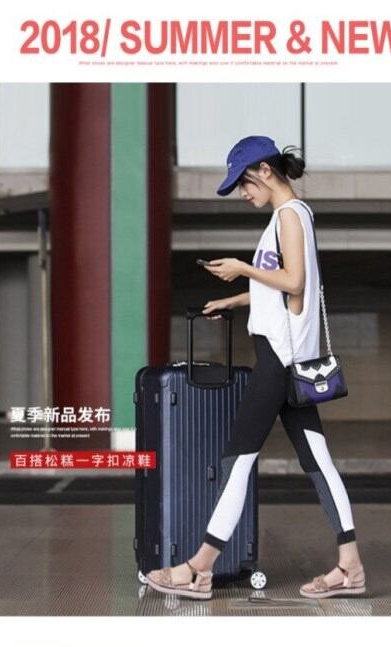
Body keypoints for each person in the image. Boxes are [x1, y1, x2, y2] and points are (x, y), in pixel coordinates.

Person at [146, 135, 365, 601]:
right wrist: (234, 298)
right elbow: (281, 287)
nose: (243, 194)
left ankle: (199, 569)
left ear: (265, 171)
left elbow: (294, 282)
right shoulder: (290, 216)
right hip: (288, 358)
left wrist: (243, 268)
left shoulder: (289, 215)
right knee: (317, 462)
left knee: (238, 460)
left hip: (279, 361)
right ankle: (351, 566)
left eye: (244, 183)